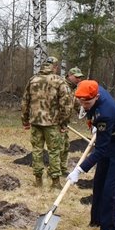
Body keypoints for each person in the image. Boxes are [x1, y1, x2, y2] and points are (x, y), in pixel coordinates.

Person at [66, 80, 115, 230]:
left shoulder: (105, 113)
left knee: (110, 189)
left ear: (97, 96)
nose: (84, 105)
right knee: (99, 183)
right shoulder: (92, 90)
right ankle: (96, 220)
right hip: (107, 138)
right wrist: (93, 123)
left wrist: (79, 169)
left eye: (87, 102)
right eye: (81, 101)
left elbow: (101, 149)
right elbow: (90, 109)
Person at [21, 56, 72, 189]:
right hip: (52, 123)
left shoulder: (33, 80)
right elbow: (66, 104)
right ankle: (55, 182)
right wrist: (64, 123)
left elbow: (25, 102)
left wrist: (25, 120)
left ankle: (38, 180)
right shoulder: (59, 81)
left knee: (37, 150)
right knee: (54, 151)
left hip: (36, 122)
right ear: (55, 67)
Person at [59, 66, 85, 174]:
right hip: (57, 123)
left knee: (65, 146)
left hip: (64, 124)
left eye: (80, 77)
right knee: (58, 148)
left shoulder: (72, 90)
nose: (79, 79)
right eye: (76, 77)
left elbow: (76, 104)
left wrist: (85, 113)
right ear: (69, 76)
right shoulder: (61, 86)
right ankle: (54, 171)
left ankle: (62, 169)